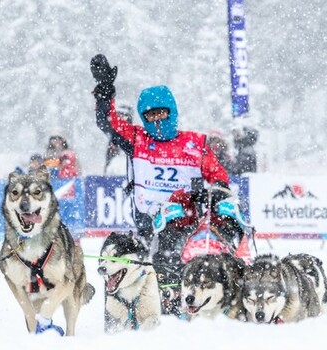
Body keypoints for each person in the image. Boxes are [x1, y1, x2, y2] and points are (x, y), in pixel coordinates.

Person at [91, 54, 233, 316]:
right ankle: (130, 313)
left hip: (185, 220)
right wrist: (105, 92)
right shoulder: (136, 138)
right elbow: (107, 123)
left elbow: (219, 177)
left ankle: (177, 305)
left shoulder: (195, 144)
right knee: (127, 259)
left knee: (173, 255)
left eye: (161, 114)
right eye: (150, 115)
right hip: (146, 219)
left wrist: (217, 195)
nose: (156, 120)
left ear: (172, 112)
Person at [103, 103, 133, 175]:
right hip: (114, 170)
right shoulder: (114, 133)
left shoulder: (133, 134)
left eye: (124, 115)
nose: (121, 118)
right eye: (119, 115)